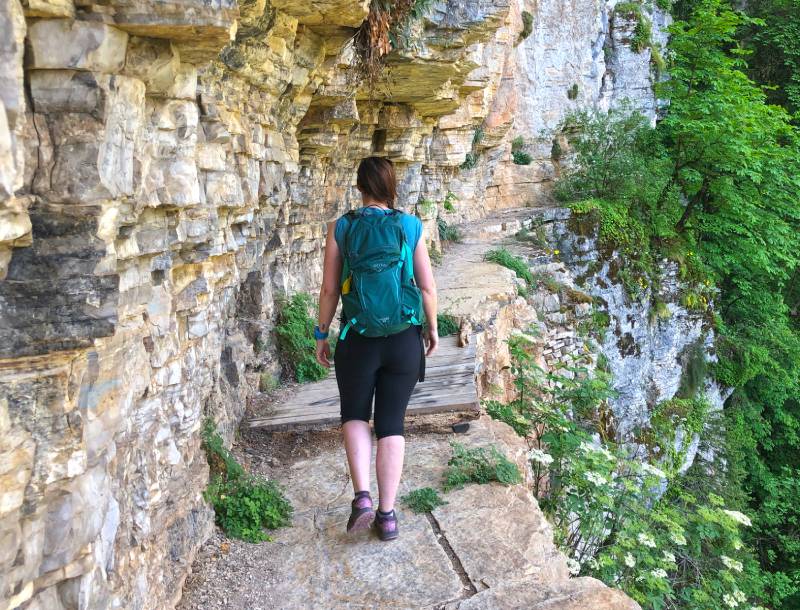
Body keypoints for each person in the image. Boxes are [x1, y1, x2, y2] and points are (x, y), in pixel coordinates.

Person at [314, 156, 439, 541]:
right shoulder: (409, 225)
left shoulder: (342, 227)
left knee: (354, 415)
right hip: (403, 339)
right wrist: (432, 328)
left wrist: (321, 334)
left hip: (358, 339)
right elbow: (427, 287)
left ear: (360, 187)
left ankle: (363, 497)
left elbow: (330, 289)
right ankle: (387, 517)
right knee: (391, 424)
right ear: (391, 186)